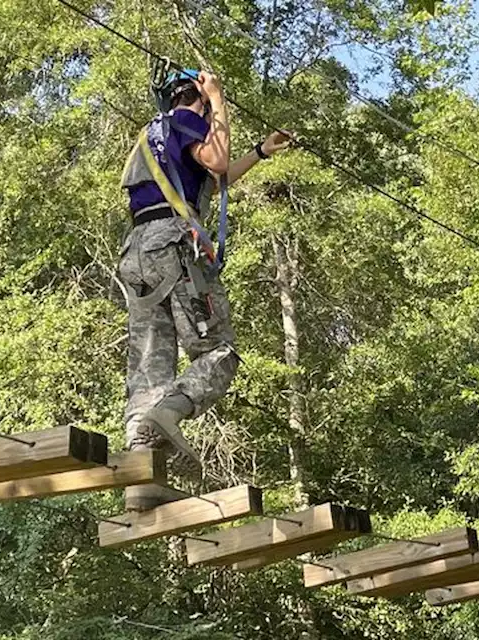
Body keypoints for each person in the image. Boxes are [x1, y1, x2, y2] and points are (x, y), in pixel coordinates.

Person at [117, 68, 292, 511]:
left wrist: (260, 152)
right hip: (175, 246)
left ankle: (141, 475)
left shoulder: (150, 136)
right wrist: (219, 100)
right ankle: (171, 410)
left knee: (149, 363)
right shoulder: (187, 120)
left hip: (137, 251)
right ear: (196, 98)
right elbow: (215, 159)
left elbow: (216, 175)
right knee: (219, 353)